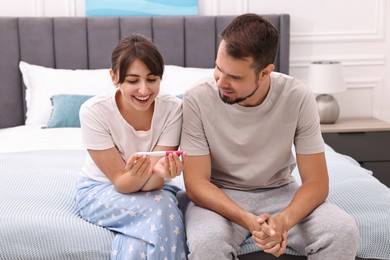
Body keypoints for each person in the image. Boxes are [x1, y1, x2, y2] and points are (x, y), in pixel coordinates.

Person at [179, 13, 360, 260]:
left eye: (235, 77)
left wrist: (283, 222)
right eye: (218, 69)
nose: (221, 82)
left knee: (343, 231)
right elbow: (196, 184)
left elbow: (317, 183)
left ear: (265, 73)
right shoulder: (197, 99)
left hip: (280, 192)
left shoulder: (298, 96)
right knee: (207, 242)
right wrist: (249, 220)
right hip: (219, 196)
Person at [75, 34, 188, 260]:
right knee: (163, 209)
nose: (144, 90)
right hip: (101, 190)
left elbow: (152, 184)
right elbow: (121, 182)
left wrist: (161, 174)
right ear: (114, 77)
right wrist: (152, 175)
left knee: (139, 241)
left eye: (152, 79)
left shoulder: (174, 109)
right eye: (133, 81)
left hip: (154, 190)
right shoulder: (94, 111)